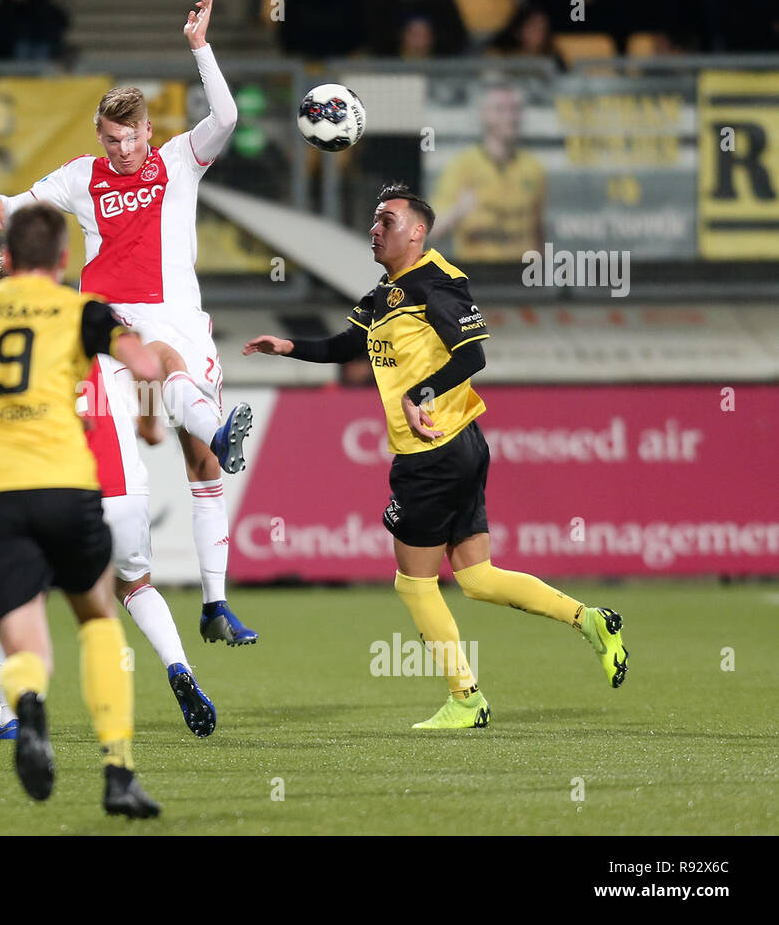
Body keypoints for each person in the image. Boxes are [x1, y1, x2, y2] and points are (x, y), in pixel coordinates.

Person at [242, 183, 630, 729]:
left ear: (418, 232)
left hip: (434, 452)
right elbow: (344, 347)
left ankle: (466, 698)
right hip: (459, 444)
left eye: (387, 221)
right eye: (374, 221)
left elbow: (472, 352)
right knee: (476, 577)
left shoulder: (437, 283)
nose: (374, 229)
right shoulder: (385, 293)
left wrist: (418, 393)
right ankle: (590, 621)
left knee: (414, 582)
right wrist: (287, 347)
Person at [0, 0, 260, 648]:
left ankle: (215, 604)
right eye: (109, 140)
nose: (120, 151)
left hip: (180, 311)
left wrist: (200, 47)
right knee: (166, 376)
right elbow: (22, 203)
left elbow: (227, 113)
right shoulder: (83, 176)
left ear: (148, 132)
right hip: (111, 318)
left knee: (201, 465)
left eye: (128, 139)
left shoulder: (181, 159)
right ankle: (191, 450)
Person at [0, 202, 163, 817]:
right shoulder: (82, 309)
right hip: (65, 488)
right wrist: (148, 417)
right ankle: (118, 771)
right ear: (63, 260)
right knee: (97, 618)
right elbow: (142, 362)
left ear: (4, 258)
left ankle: (28, 707)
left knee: (22, 631)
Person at [0, 254, 218, 742]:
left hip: (55, 488)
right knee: (136, 589)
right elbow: (150, 367)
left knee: (10, 597)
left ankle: (13, 713)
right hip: (125, 488)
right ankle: (178, 668)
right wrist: (149, 424)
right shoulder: (85, 319)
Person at [428, 80, 546, 263]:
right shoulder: (462, 166)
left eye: (514, 109)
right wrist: (457, 212)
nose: (509, 117)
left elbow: (538, 230)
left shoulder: (533, 168)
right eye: (500, 109)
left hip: (522, 274)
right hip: (477, 274)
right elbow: (431, 230)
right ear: (482, 114)